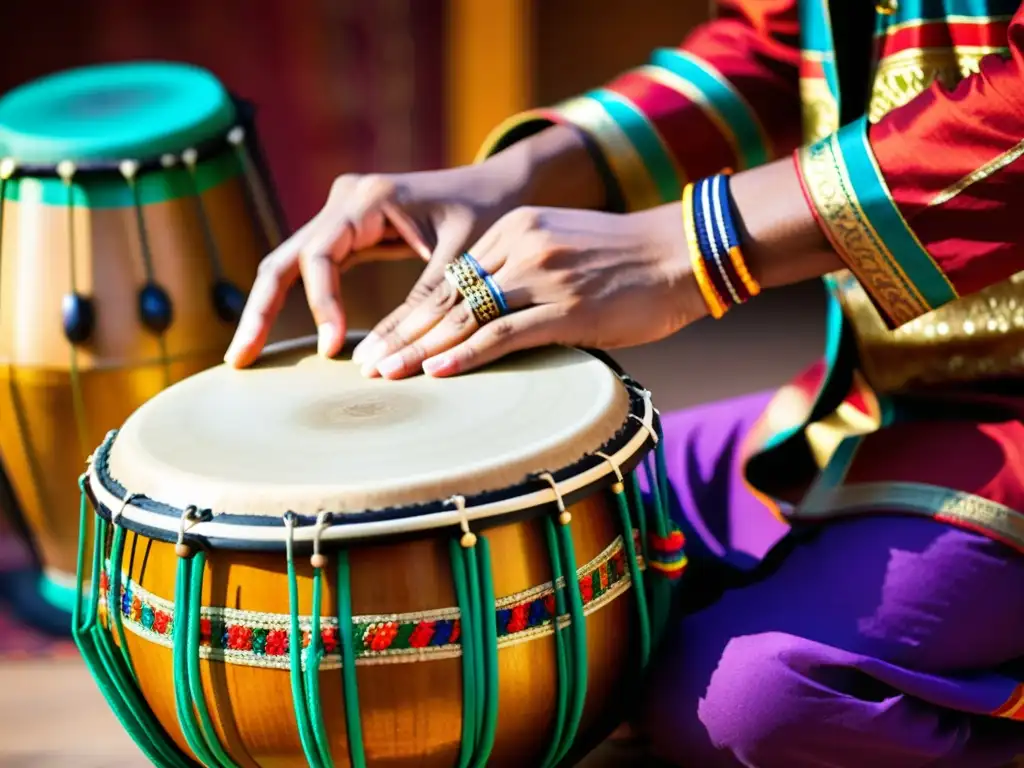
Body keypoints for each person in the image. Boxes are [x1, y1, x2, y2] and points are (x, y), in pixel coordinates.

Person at [226, 2, 1024, 765]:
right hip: (860, 401)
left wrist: (689, 249)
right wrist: (522, 173)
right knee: (526, 548)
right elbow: (779, 48)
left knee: (747, 703)